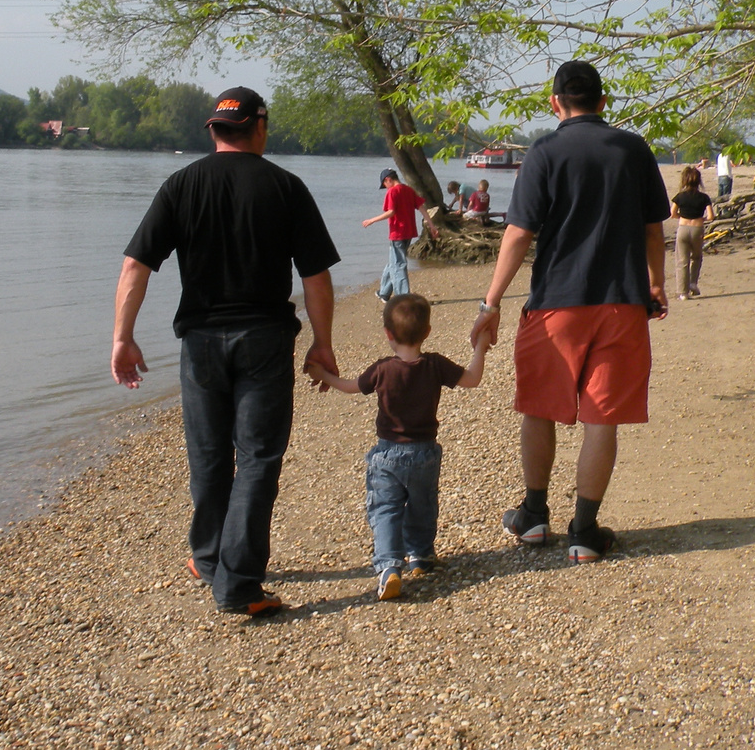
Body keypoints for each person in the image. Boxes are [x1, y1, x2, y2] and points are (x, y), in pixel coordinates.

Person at [111, 86, 341, 617]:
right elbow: (316, 278)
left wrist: (123, 336)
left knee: (210, 454)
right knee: (258, 457)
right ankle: (237, 581)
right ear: (260, 126)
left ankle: (210, 557)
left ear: (214, 131)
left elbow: (135, 268)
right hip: (263, 338)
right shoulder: (286, 187)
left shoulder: (182, 184)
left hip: (200, 342)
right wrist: (322, 343)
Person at [470, 60, 670, 564]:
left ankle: (534, 517)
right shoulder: (633, 148)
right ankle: (584, 531)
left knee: (539, 406)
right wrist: (656, 283)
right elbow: (652, 230)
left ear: (555, 103)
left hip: (556, 304)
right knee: (603, 419)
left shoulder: (545, 150)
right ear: (603, 103)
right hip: (623, 304)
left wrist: (490, 303)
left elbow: (518, 234)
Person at [308, 294, 491, 600]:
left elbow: (351, 386)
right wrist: (480, 348)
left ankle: (390, 567)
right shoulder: (435, 365)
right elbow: (472, 378)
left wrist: (323, 375)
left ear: (388, 335)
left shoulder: (382, 369)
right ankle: (420, 556)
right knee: (423, 506)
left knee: (386, 509)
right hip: (425, 454)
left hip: (388, 455)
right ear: (427, 332)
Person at [362, 169, 438, 300]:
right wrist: (432, 225)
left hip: (397, 232)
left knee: (398, 264)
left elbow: (391, 212)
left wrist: (372, 220)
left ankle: (403, 297)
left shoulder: (392, 191)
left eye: (384, 184)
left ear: (388, 180)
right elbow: (421, 207)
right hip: (409, 232)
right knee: (394, 262)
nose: (385, 187)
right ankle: (384, 293)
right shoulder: (409, 190)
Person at [670, 165, 712, 299]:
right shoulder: (704, 197)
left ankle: (683, 292)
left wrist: (681, 217)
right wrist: (702, 218)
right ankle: (693, 283)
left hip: (683, 228)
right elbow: (711, 216)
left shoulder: (680, 196)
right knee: (696, 257)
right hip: (697, 229)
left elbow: (672, 213)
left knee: (682, 260)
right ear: (698, 181)